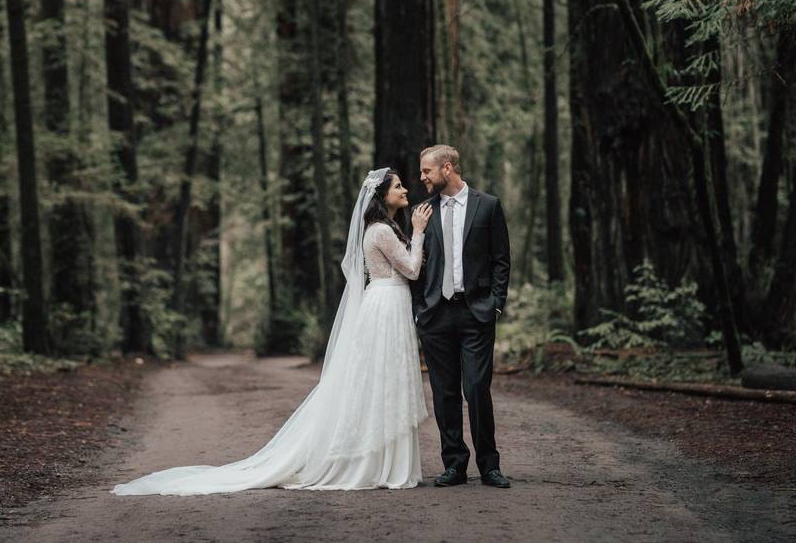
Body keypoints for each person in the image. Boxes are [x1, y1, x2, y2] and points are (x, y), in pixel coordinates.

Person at [111, 168, 434, 495]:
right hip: (386, 304)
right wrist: (418, 232)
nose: (405, 189)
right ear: (382, 195)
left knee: (384, 382)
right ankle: (377, 463)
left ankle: (385, 461)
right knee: (381, 382)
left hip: (386, 304)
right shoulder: (380, 230)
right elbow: (410, 268)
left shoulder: (384, 227)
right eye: (398, 186)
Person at [411, 145, 512, 488]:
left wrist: (496, 303)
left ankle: (489, 465)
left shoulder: (488, 205)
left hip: (476, 313)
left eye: (427, 171)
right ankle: (454, 464)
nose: (422, 177)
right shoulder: (421, 212)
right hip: (436, 316)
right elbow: (415, 266)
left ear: (448, 168)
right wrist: (419, 310)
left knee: (476, 387)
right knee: (444, 392)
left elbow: (501, 259)